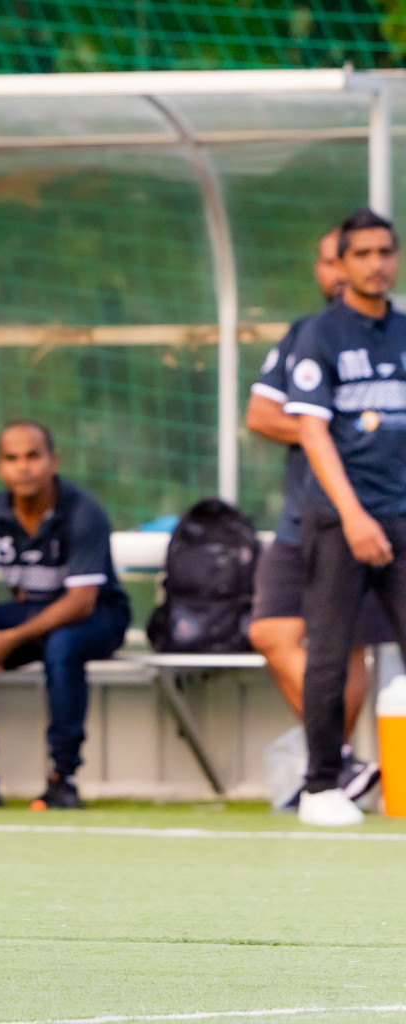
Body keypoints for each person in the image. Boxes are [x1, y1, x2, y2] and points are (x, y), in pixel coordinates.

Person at [245, 225, 385, 809]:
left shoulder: (390, 335)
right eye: (332, 262)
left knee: (347, 646)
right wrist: (320, 421)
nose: (338, 273)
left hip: (375, 517)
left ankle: (333, 769)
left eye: (379, 254)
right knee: (271, 631)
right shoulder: (308, 334)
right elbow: (261, 414)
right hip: (306, 516)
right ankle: (342, 761)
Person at [0, 421, 131, 811]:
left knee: (62, 647)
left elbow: (81, 602)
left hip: (97, 616)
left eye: (33, 456)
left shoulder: (82, 511)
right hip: (32, 613)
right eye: (12, 458)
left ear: (53, 461)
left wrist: (9, 640)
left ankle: (64, 779)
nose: (23, 467)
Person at [284, 207, 406, 828]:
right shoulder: (320, 334)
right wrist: (355, 516)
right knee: (331, 652)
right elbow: (312, 431)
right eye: (363, 253)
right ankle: (320, 785)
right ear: (343, 262)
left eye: (386, 251)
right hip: (341, 521)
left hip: (404, 517)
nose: (377, 264)